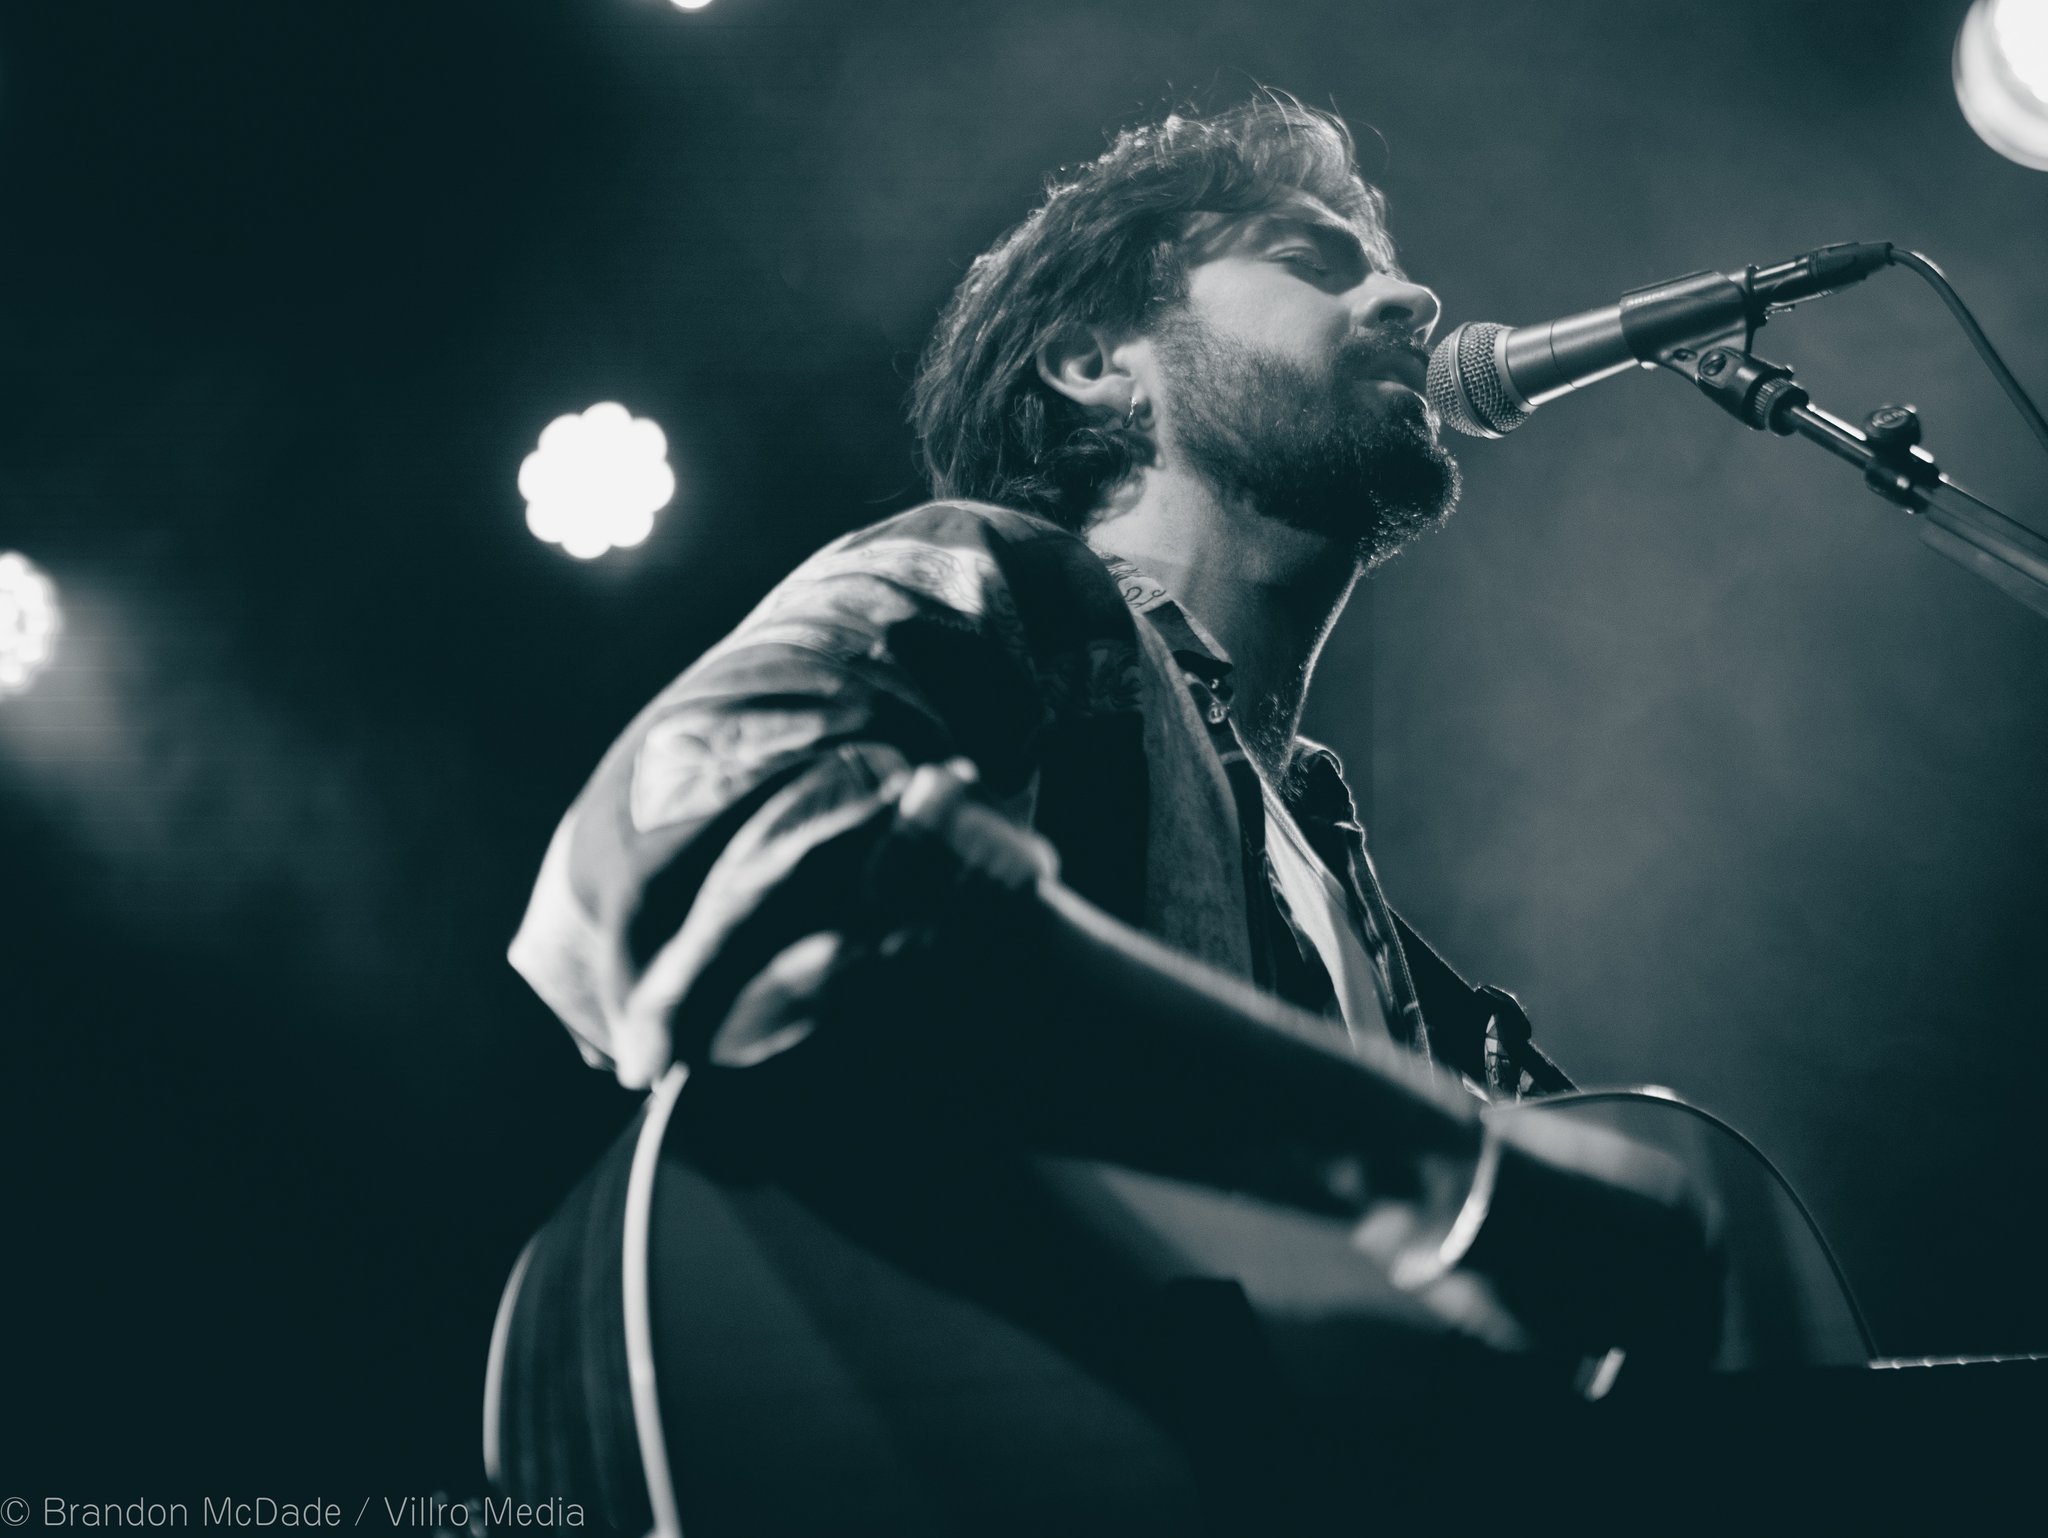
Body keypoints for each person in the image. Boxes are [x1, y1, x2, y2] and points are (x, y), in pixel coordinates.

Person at [496, 93, 1722, 1535]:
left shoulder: (1356, 910)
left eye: (1388, 268)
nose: (1412, 298)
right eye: (1311, 260)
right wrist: (1444, 1168)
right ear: (1093, 364)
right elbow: (698, 837)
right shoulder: (1002, 584)